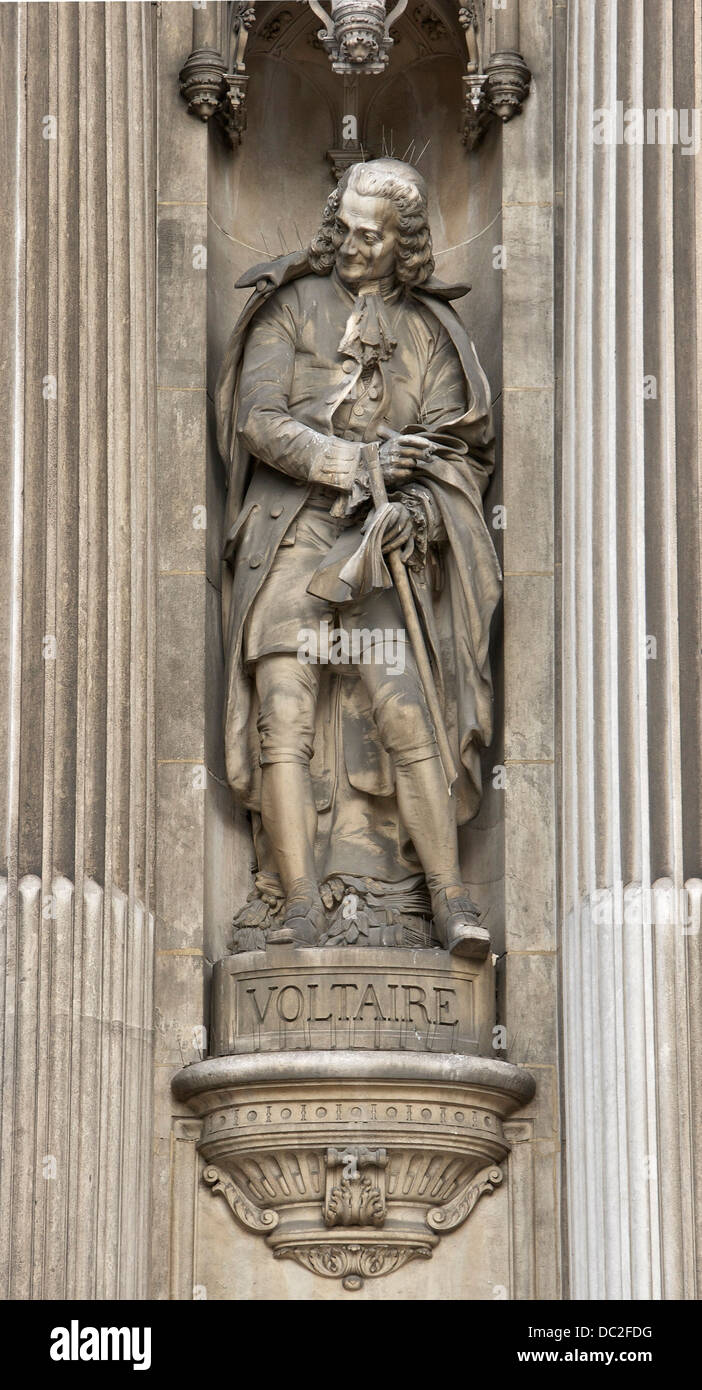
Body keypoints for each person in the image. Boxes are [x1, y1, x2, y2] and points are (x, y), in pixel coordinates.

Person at [215, 159, 501, 955]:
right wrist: (352, 461)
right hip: (292, 536)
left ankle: (449, 899)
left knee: (410, 713)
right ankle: (297, 904)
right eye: (342, 226)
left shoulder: (432, 336)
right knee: (284, 717)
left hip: (378, 549)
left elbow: (457, 452)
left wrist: (419, 510)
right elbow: (257, 420)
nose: (349, 244)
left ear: (401, 244)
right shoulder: (293, 307)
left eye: (369, 236)